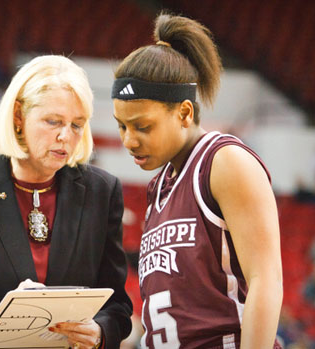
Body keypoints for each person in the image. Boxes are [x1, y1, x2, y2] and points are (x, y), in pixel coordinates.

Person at [0, 55, 132, 349]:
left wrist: (101, 332)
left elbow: (117, 304)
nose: (65, 136)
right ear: (18, 116)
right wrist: (13, 317)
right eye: (53, 121)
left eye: (77, 125)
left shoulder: (103, 191)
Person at [111, 13, 283, 348]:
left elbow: (267, 281)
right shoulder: (159, 185)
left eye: (143, 126)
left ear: (185, 113)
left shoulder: (224, 162)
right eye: (122, 126)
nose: (129, 140)